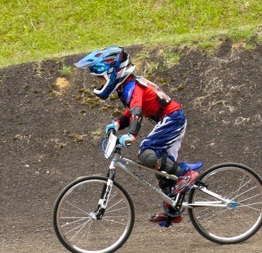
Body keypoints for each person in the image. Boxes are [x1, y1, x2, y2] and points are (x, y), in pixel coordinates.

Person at [74, 45, 202, 226]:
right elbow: (131, 110)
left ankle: (186, 173)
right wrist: (117, 124)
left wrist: (132, 134)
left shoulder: (132, 87)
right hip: (169, 118)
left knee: (146, 152)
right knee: (161, 168)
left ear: (113, 73)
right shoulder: (127, 87)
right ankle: (173, 209)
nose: (100, 84)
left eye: (101, 79)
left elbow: (137, 110)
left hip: (172, 118)